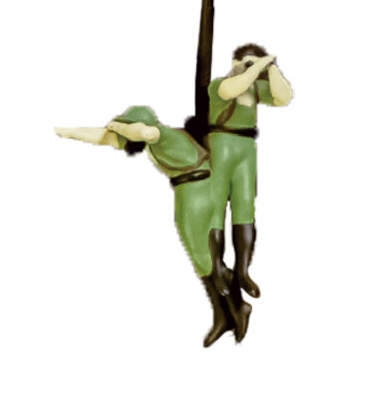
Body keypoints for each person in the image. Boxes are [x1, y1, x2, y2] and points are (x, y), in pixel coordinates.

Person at [55, 106, 251, 347]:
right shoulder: (149, 142)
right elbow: (103, 138)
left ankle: (239, 306)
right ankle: (222, 316)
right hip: (187, 193)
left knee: (207, 259)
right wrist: (66, 132)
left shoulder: (161, 135)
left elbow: (142, 132)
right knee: (201, 261)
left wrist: (116, 124)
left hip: (199, 190)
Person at [206, 44, 293, 299]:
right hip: (220, 145)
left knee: (245, 207)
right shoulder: (220, 85)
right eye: (246, 63)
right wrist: (254, 66)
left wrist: (271, 67)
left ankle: (242, 270)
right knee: (216, 207)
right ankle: (216, 267)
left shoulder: (255, 89)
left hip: (246, 149)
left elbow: (284, 97)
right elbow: (231, 89)